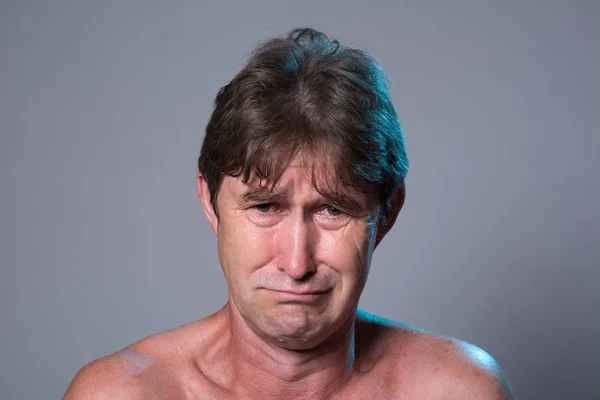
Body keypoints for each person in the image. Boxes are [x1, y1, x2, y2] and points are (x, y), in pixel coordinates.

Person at [63, 27, 514, 399]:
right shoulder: (123, 394)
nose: (297, 263)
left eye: (333, 210)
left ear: (386, 214)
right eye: (264, 207)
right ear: (211, 201)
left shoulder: (455, 391)